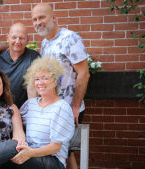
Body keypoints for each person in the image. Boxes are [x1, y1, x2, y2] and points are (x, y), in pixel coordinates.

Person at [31, 3, 90, 169]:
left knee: (63, 150)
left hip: (69, 108)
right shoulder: (44, 43)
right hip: (52, 107)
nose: (38, 22)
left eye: (42, 17)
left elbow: (84, 73)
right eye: (34, 19)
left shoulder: (70, 38)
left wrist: (75, 106)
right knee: (63, 152)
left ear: (54, 18)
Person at [0, 23, 39, 108]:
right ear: (7, 38)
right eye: (14, 37)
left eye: (21, 38)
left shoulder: (34, 58)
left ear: (27, 40)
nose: (17, 41)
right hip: (1, 109)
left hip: (25, 110)